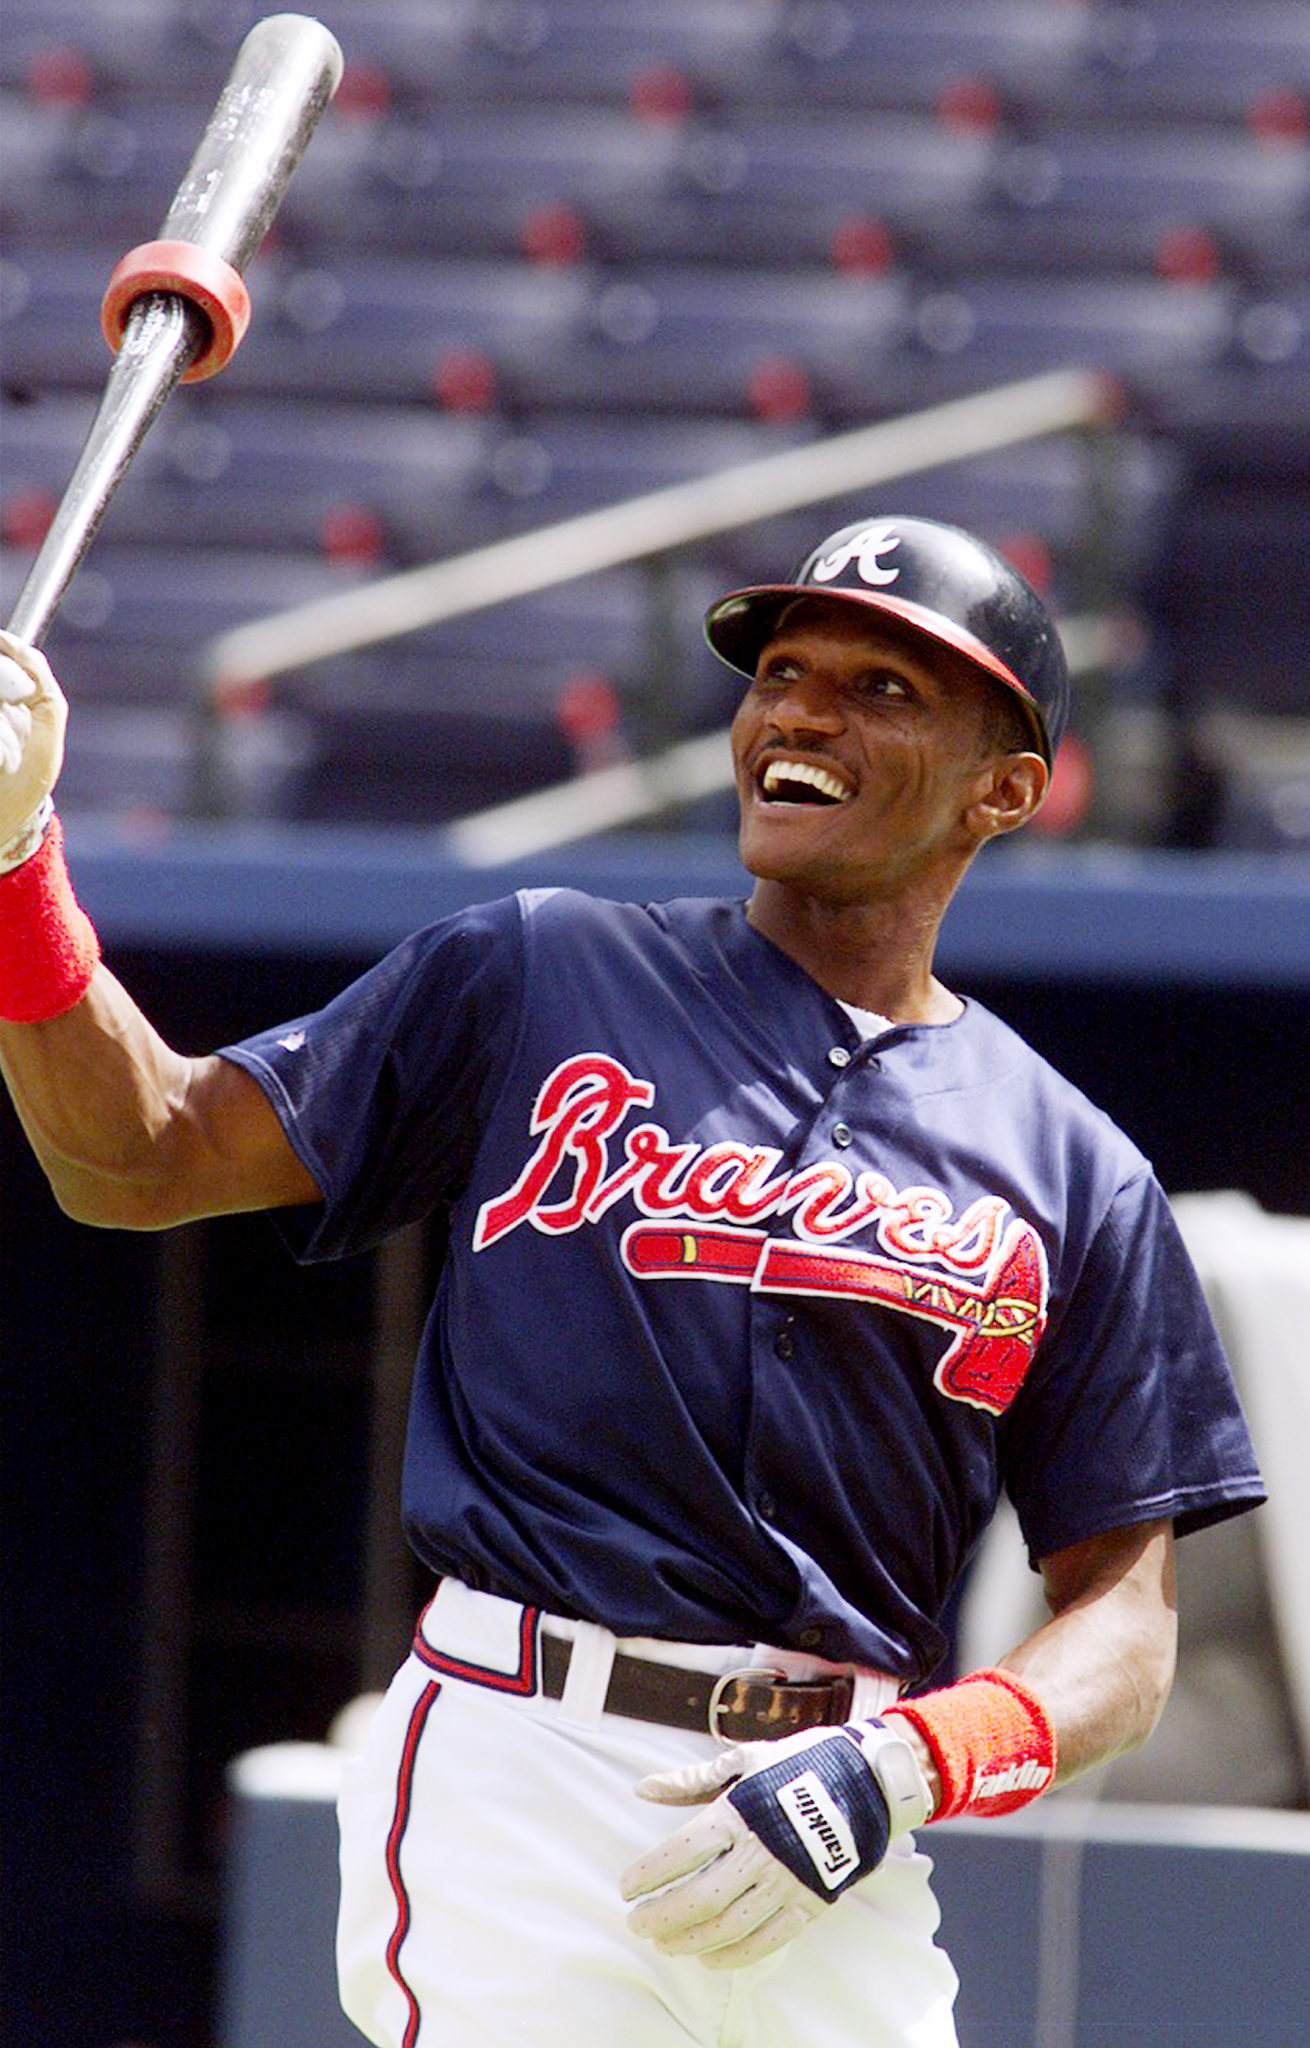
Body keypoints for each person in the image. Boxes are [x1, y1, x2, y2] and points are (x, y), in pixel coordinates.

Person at [0, 515, 1265, 2048]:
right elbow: (140, 1155)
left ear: (1006, 789)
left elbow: (1122, 1633)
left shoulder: (1071, 1166)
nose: (798, 709)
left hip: (828, 1813)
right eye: (780, 671)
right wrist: (18, 869)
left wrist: (907, 1765)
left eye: (881, 688)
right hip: (524, 1763)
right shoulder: (542, 969)